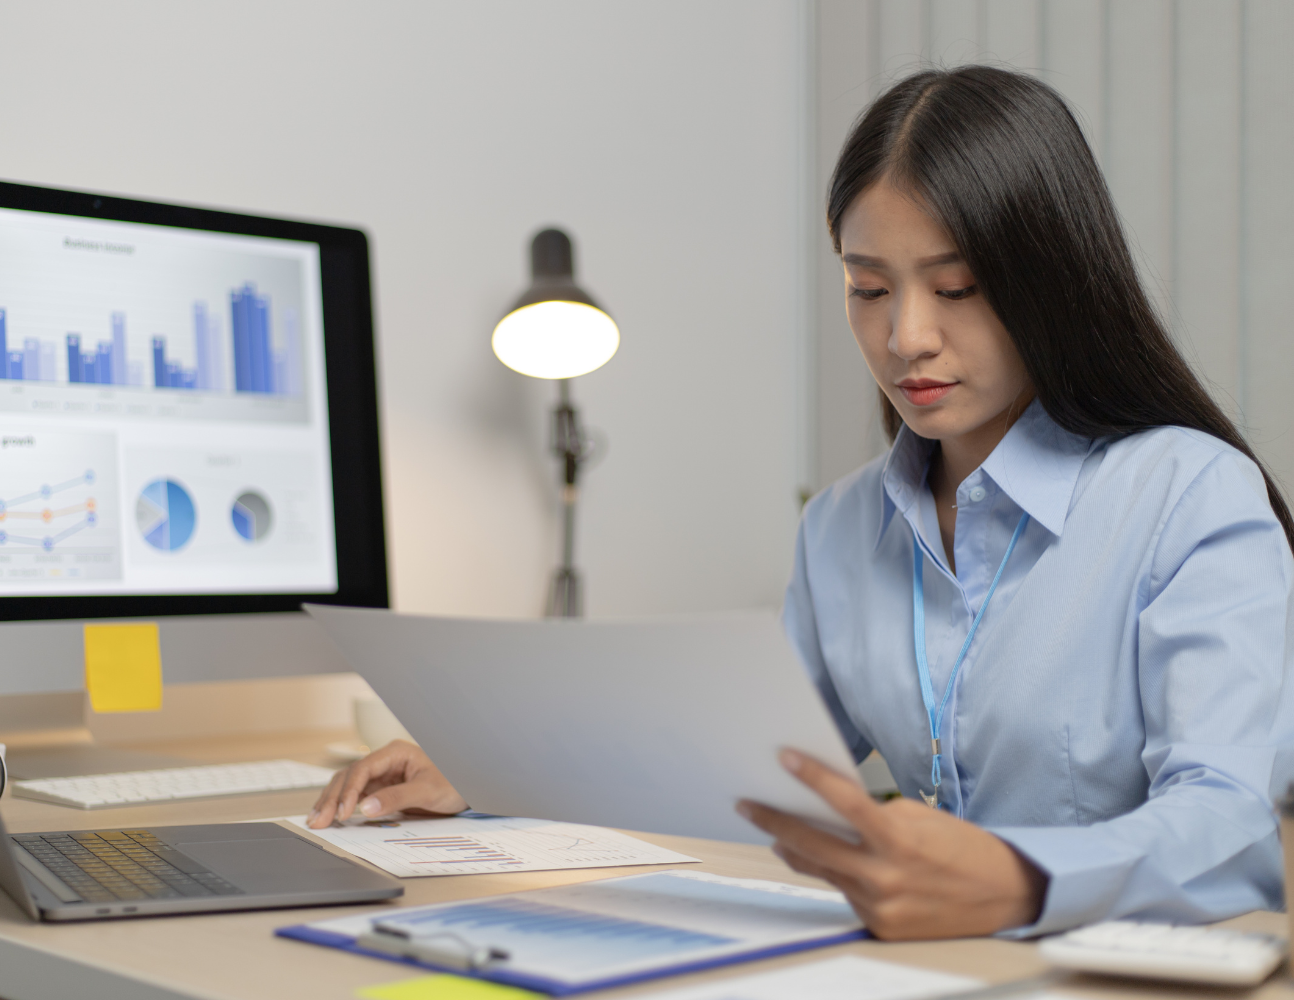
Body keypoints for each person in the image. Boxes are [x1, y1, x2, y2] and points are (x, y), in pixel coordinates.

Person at [310, 66, 1294, 941]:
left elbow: (1227, 822)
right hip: (923, 970)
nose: (908, 335)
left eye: (957, 287)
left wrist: (1020, 879)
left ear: (1053, 281)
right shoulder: (841, 525)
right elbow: (724, 767)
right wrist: (487, 769)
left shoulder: (1187, 495)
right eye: (869, 289)